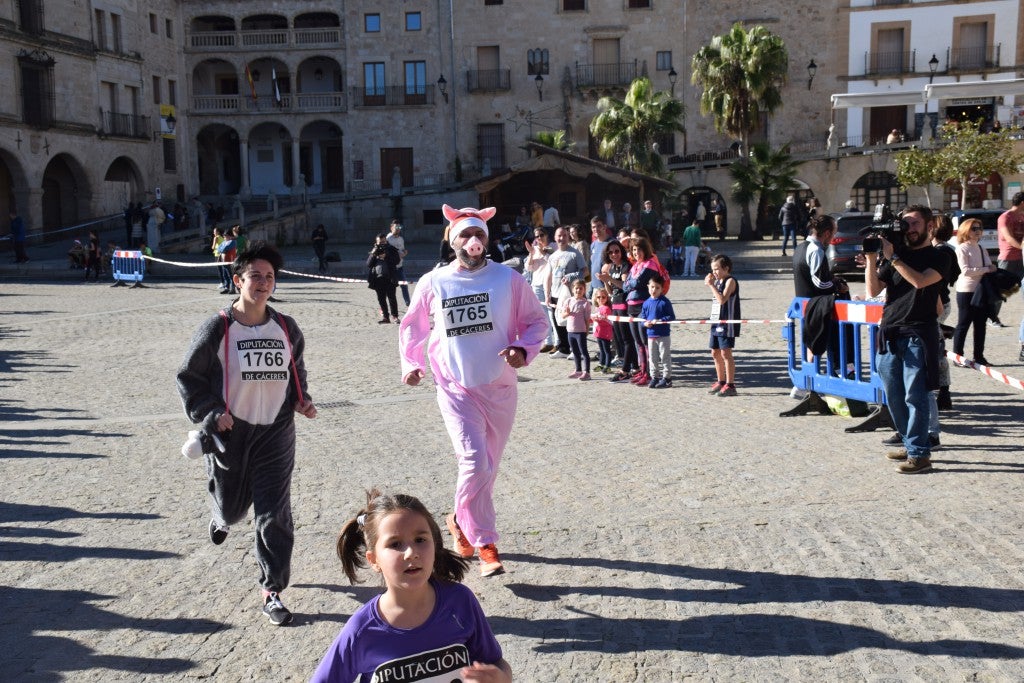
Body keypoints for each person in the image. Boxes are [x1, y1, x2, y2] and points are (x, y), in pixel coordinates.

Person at [399, 204, 549, 577]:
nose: (472, 241)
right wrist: (412, 363)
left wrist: (521, 349)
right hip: (454, 387)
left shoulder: (508, 279)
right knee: (474, 462)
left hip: (499, 387)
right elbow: (414, 325)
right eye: (465, 235)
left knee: (488, 468)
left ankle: (458, 521)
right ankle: (485, 542)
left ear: (487, 239)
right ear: (452, 241)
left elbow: (536, 321)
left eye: (478, 234)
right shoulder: (435, 282)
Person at [176, 242, 317, 625]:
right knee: (233, 509)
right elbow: (189, 377)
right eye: (256, 276)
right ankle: (219, 517)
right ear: (238, 280)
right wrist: (211, 412)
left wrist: (301, 401)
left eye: (269, 276)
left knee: (274, 512)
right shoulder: (218, 326)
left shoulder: (286, 326)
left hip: (276, 432)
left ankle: (272, 589)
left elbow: (295, 370)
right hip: (231, 432)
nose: (264, 283)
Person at [310, 489, 512, 683]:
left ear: (435, 545)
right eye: (395, 544)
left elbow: (495, 663)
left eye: (420, 540)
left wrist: (501, 678)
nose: (411, 553)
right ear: (374, 560)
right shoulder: (362, 630)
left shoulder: (460, 601)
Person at [864, 204, 951, 474]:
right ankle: (910, 442)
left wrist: (894, 259)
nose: (909, 229)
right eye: (905, 224)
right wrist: (871, 258)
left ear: (929, 226)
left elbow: (921, 282)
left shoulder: (940, 255)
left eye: (914, 223)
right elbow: (873, 289)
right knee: (894, 397)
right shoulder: (896, 255)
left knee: (916, 396)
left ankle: (920, 455)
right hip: (890, 332)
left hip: (918, 334)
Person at [952, 218, 995, 366]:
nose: (978, 231)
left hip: (981, 290)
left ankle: (979, 356)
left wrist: (990, 269)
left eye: (979, 228)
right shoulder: (962, 248)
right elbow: (966, 271)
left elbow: (989, 266)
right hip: (966, 290)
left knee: (980, 325)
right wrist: (986, 269)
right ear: (966, 231)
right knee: (963, 323)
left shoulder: (981, 248)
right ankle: (958, 356)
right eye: (974, 229)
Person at [622, 237, 661, 386]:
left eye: (638, 249)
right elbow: (626, 286)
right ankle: (643, 371)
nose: (636, 252)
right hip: (631, 306)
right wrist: (630, 284)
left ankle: (650, 373)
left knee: (645, 342)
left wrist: (630, 283)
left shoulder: (650, 264)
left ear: (645, 250)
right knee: (638, 341)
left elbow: (637, 282)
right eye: (633, 249)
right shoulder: (636, 266)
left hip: (643, 306)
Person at [545, 226, 588, 359]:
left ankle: (577, 350)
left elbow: (585, 271)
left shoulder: (575, 253)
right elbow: (549, 276)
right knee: (559, 321)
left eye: (564, 235)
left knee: (574, 323)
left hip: (572, 295)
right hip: (556, 294)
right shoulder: (552, 256)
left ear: (568, 237)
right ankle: (563, 348)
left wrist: (572, 276)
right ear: (555, 238)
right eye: (559, 236)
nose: (561, 238)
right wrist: (547, 294)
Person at [596, 240, 635, 380]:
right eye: (611, 252)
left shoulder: (625, 266)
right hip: (615, 304)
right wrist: (605, 280)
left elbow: (625, 286)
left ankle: (625, 369)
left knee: (626, 339)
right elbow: (611, 291)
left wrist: (610, 279)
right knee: (618, 339)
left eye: (616, 251)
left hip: (624, 304)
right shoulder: (612, 267)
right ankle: (633, 366)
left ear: (621, 252)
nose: (614, 254)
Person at [705, 254, 741, 396]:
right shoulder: (718, 281)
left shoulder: (730, 281)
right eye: (712, 269)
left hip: (727, 322)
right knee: (715, 352)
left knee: (726, 353)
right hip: (716, 321)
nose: (714, 272)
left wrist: (711, 285)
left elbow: (722, 300)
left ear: (726, 268)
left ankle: (730, 384)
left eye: (717, 269)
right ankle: (721, 381)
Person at [995, 191, 1024, 352]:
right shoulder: (1005, 217)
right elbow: (1009, 237)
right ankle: (992, 317)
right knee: (1001, 291)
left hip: (1022, 259)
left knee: (1018, 289)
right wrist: (1023, 247)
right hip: (1008, 258)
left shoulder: (1022, 217)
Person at [523, 227, 556, 353]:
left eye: (541, 235)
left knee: (552, 313)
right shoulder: (534, 249)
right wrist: (531, 253)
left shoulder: (553, 246)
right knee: (542, 314)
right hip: (537, 284)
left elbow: (553, 260)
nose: (539, 238)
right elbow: (529, 268)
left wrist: (542, 253)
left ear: (547, 235)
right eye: (537, 236)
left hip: (550, 284)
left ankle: (558, 342)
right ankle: (548, 341)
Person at [641, 273, 675, 388]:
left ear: (662, 289)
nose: (654, 290)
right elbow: (643, 318)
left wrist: (660, 320)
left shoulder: (664, 302)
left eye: (657, 287)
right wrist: (645, 323)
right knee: (652, 357)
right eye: (652, 287)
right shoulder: (646, 303)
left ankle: (667, 378)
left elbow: (671, 316)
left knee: (664, 356)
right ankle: (654, 377)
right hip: (651, 335)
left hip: (663, 335)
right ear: (648, 287)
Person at [559, 278, 592, 380]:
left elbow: (587, 319)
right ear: (573, 289)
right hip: (570, 331)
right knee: (575, 351)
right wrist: (567, 313)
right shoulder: (568, 301)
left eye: (581, 289)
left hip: (580, 332)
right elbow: (563, 315)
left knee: (584, 352)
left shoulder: (585, 303)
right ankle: (578, 370)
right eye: (576, 288)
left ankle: (587, 372)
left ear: (584, 290)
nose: (578, 291)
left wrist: (586, 331)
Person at [367, 232, 401, 324]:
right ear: (376, 242)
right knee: (381, 298)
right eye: (380, 242)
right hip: (378, 278)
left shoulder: (391, 249)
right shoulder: (375, 250)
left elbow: (397, 261)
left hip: (390, 277)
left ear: (386, 240)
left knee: (392, 298)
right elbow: (369, 264)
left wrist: (386, 257)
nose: (382, 244)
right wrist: (374, 254)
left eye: (383, 242)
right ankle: (386, 317)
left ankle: (395, 316)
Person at [386, 219, 411, 306]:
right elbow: (386, 254)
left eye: (399, 227)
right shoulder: (388, 239)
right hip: (391, 268)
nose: (398, 229)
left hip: (400, 266)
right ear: (391, 228)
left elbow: (402, 249)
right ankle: (384, 305)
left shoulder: (401, 239)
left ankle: (408, 303)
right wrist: (396, 255)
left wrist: (405, 252)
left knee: (404, 285)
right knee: (390, 288)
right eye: (396, 227)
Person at [591, 287, 614, 373]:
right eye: (599, 297)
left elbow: (607, 322)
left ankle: (607, 366)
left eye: (603, 297)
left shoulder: (606, 308)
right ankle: (601, 364)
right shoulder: (598, 308)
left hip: (605, 333)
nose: (601, 299)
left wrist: (597, 319)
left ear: (607, 298)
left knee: (607, 350)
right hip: (598, 332)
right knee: (601, 350)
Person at [589, 216, 611, 297]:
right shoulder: (593, 245)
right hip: (595, 288)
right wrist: (591, 287)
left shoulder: (612, 243)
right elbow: (593, 266)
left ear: (604, 227)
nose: (596, 229)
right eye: (593, 227)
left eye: (599, 226)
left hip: (607, 288)